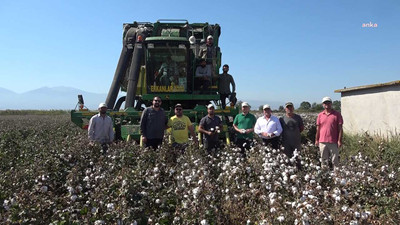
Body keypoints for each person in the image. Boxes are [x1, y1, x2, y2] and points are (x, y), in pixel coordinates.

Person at [315, 97, 343, 169]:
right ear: (323, 104)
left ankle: (336, 177)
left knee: (335, 161)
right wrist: (317, 140)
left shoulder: (337, 114)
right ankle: (325, 177)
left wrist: (339, 140)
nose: (327, 104)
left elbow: (340, 129)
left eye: (328, 102)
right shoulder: (320, 115)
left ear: (331, 103)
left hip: (333, 142)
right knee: (324, 161)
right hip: (322, 141)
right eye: (325, 103)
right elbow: (318, 129)